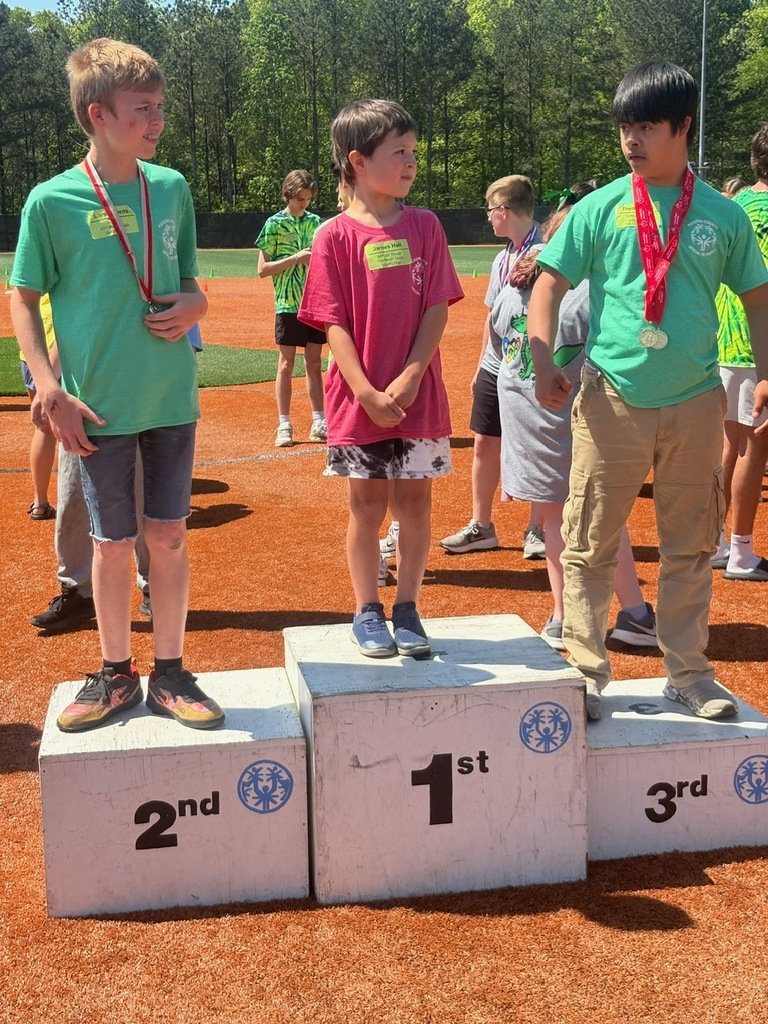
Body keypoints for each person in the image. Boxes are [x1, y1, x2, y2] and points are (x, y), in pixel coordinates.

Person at [528, 61, 768, 722]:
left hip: (695, 401)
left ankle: (689, 675)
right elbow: (548, 282)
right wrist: (542, 353)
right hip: (610, 399)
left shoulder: (722, 215)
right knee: (589, 539)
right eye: (625, 128)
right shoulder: (601, 207)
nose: (631, 141)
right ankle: (585, 670)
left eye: (646, 127)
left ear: (682, 126)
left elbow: (757, 297)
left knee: (690, 545)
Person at [11, 37, 223, 732]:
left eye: (160, 106)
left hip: (168, 398)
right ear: (99, 114)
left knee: (166, 537)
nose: (157, 120)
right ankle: (112, 674)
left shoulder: (172, 187)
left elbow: (190, 284)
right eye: (143, 109)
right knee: (109, 545)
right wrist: (47, 386)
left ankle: (170, 671)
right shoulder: (51, 200)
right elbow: (23, 297)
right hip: (96, 404)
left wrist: (196, 304)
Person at [299, 98, 463, 657]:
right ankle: (367, 608)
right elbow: (331, 320)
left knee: (415, 508)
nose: (411, 162)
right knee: (366, 508)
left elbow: (438, 304)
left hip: (417, 398)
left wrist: (413, 375)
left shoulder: (424, 225)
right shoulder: (333, 236)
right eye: (399, 152)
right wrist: (365, 390)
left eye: (413, 151)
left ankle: (409, 608)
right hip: (358, 399)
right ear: (358, 161)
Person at [497, 201, 656, 650]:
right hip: (573, 413)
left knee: (553, 515)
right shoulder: (591, 289)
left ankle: (563, 616)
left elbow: (498, 340)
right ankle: (636, 614)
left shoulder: (521, 281)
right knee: (600, 514)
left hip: (522, 407)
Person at [440, 175, 545, 558]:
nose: (488, 218)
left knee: (535, 444)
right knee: (485, 442)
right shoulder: (502, 257)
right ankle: (481, 525)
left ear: (503, 210)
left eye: (490, 210)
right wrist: (481, 366)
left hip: (530, 363)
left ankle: (538, 528)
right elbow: (491, 316)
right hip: (495, 364)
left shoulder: (545, 253)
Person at [713, 126, 768, 581]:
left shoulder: (731, 207)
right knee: (755, 446)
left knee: (729, 443)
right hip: (758, 344)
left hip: (720, 339)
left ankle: (715, 540)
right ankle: (742, 551)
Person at [255, 170, 327, 448]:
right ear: (288, 195)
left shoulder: (316, 224)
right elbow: (262, 269)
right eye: (299, 198)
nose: (304, 204)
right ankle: (284, 424)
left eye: (308, 199)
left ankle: (318, 421)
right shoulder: (274, 224)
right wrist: (296, 258)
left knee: (314, 363)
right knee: (286, 364)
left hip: (313, 302)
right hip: (287, 303)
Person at [21, 294, 58, 520]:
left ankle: (40, 501)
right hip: (63, 352)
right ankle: (81, 501)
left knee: (43, 427)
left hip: (31, 351)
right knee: (83, 428)